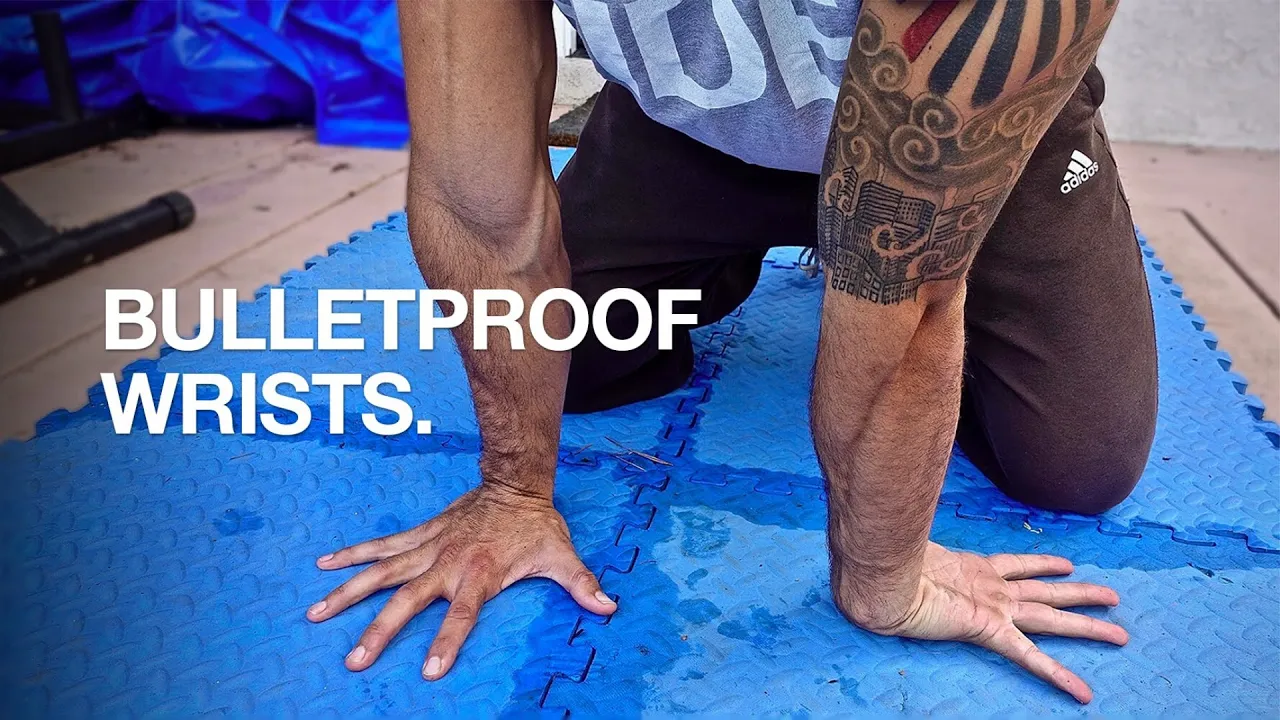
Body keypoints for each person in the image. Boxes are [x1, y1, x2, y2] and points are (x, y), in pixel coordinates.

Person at [305, 0, 1157, 704]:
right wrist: (512, 491)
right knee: (574, 358)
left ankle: (842, 243)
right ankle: (737, 239)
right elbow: (476, 207)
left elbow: (911, 278)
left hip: (972, 139)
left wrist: (884, 577)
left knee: (1075, 462)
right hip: (697, 124)